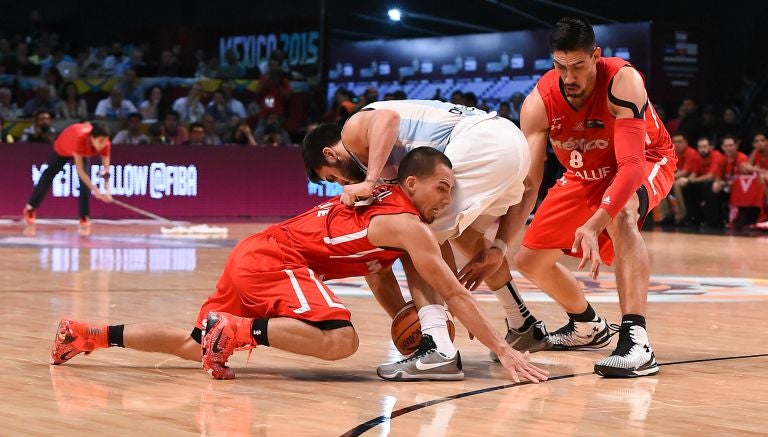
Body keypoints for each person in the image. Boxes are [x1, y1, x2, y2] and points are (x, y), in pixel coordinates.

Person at [50, 148, 548, 383]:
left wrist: (402, 315)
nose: (449, 197)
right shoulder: (407, 226)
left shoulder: (384, 207)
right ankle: (240, 330)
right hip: (275, 260)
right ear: (412, 184)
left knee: (196, 340)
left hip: (257, 252)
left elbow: (377, 275)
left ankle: (89, 334)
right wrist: (502, 349)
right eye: (442, 187)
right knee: (341, 341)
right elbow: (456, 294)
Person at [302, 99, 542, 380]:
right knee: (454, 238)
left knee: (411, 233)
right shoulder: (399, 163)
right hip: (511, 146)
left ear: (330, 154)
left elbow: (387, 118)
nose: (343, 185)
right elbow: (528, 187)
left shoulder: (352, 131)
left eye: (334, 177)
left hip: (481, 143)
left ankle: (438, 347)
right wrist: (500, 247)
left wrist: (369, 180)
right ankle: (521, 323)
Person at [511, 17, 677, 378]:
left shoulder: (623, 80)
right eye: (560, 66)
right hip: (584, 173)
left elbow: (631, 167)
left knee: (623, 214)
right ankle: (586, 325)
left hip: (646, 159)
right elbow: (529, 184)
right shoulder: (539, 103)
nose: (568, 77)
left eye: (578, 66)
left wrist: (596, 220)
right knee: (528, 260)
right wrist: (499, 241)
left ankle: (636, 340)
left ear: (596, 56)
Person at [23, 122, 113, 236]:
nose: (102, 145)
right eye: (100, 141)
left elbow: (106, 171)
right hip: (64, 146)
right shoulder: (80, 140)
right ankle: (30, 208)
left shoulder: (105, 144)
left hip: (80, 149)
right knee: (49, 174)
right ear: (92, 138)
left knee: (85, 182)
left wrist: (108, 191)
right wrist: (95, 190)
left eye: (105, 141)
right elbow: (80, 171)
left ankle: (84, 216)